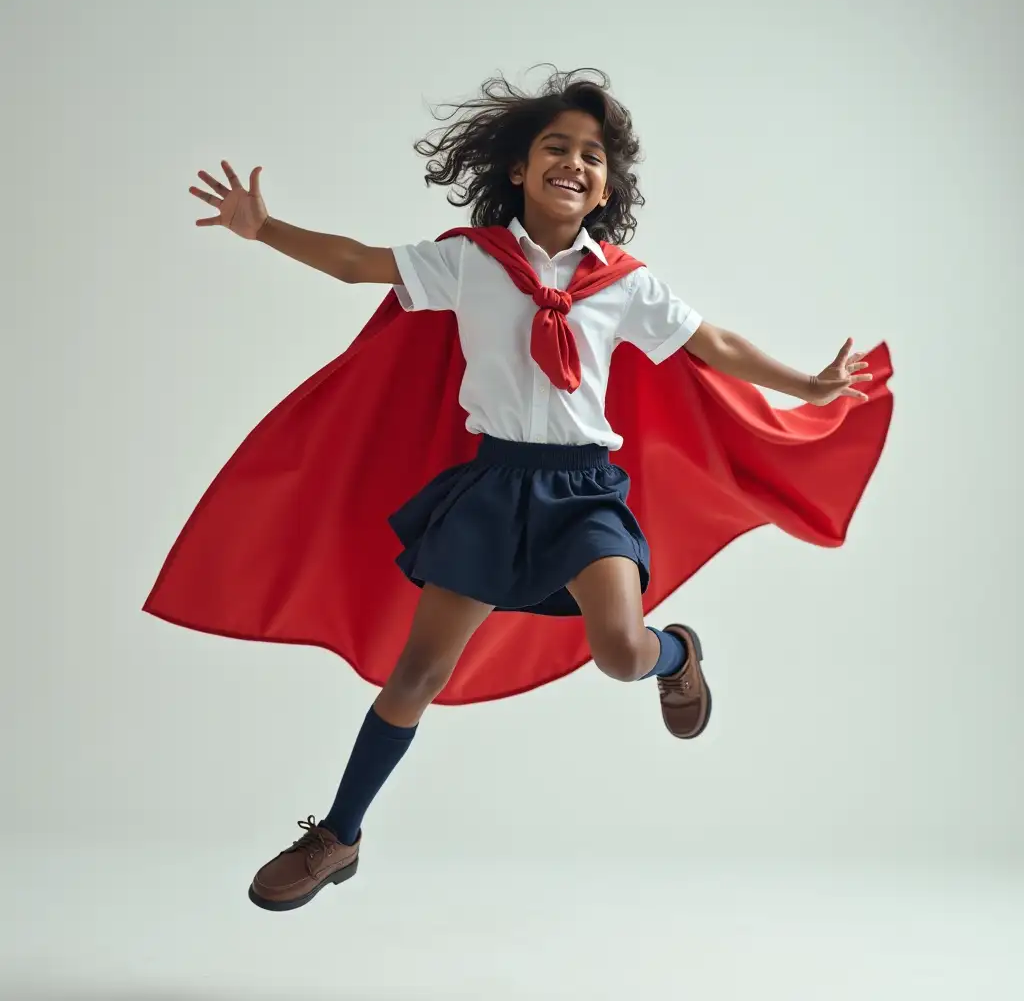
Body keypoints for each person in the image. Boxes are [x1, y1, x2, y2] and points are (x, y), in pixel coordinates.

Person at [166, 68, 886, 912]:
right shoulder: (469, 263)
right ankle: (340, 835)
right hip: (494, 485)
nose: (574, 162)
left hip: (584, 493)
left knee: (620, 650)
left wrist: (806, 384)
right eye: (556, 147)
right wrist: (265, 229)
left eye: (592, 155)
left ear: (607, 186)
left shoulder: (623, 283)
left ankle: (679, 655)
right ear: (519, 168)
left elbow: (709, 340)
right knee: (419, 672)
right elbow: (360, 265)